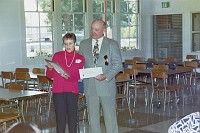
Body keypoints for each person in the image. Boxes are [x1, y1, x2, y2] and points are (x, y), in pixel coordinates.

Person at [79, 19, 122, 133]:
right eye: (92, 29)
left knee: (110, 118)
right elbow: (79, 63)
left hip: (106, 86)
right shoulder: (84, 44)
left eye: (96, 29)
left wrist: (106, 76)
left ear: (103, 30)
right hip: (90, 87)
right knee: (92, 119)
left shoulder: (112, 44)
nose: (93, 32)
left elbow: (118, 65)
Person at [46, 33, 85, 133]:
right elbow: (50, 76)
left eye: (70, 43)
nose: (68, 46)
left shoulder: (80, 58)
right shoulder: (57, 55)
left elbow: (78, 75)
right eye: (66, 44)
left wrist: (68, 77)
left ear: (75, 43)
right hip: (58, 90)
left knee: (73, 118)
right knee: (60, 119)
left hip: (72, 90)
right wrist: (50, 69)